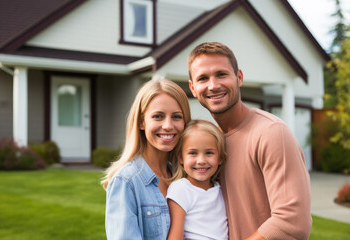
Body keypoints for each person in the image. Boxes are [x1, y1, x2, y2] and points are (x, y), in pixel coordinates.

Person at [187, 42, 312, 240]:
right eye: (203, 78)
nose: (213, 85)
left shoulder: (271, 133)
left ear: (239, 78)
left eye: (221, 74)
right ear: (193, 88)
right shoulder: (211, 145)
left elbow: (292, 221)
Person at [101, 77, 191, 240]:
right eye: (158, 116)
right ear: (142, 122)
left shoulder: (184, 177)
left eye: (177, 117)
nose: (168, 125)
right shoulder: (126, 182)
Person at [166, 119, 228, 240]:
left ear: (220, 157)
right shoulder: (181, 189)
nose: (201, 161)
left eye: (209, 153)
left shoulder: (220, 188)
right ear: (181, 158)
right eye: (193, 153)